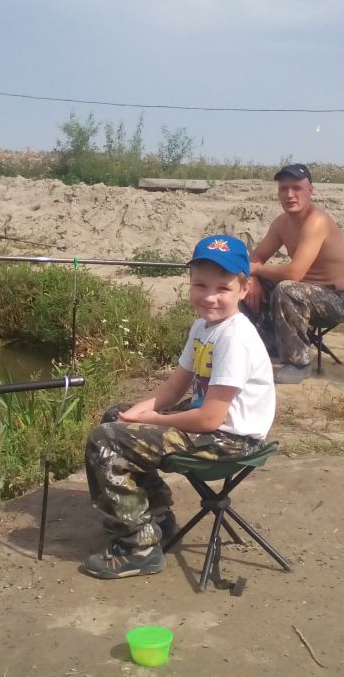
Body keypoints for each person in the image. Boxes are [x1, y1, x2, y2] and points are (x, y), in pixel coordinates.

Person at [82, 235, 276, 579]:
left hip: (229, 441)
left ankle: (137, 548)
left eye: (223, 288)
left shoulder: (235, 338)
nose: (210, 297)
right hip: (212, 429)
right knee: (115, 418)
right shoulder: (202, 327)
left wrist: (154, 420)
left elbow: (210, 418)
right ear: (190, 283)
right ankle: (156, 520)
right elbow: (173, 389)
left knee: (106, 439)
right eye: (200, 285)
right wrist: (136, 414)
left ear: (244, 289)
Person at [242, 163, 344, 384]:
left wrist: (255, 269)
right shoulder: (282, 223)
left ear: (310, 190)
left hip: (338, 299)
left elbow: (294, 273)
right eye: (283, 189)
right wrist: (252, 277)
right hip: (303, 293)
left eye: (296, 188)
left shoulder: (317, 221)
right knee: (240, 283)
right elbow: (254, 259)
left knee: (287, 289)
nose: (289, 194)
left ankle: (298, 363)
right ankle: (266, 344)